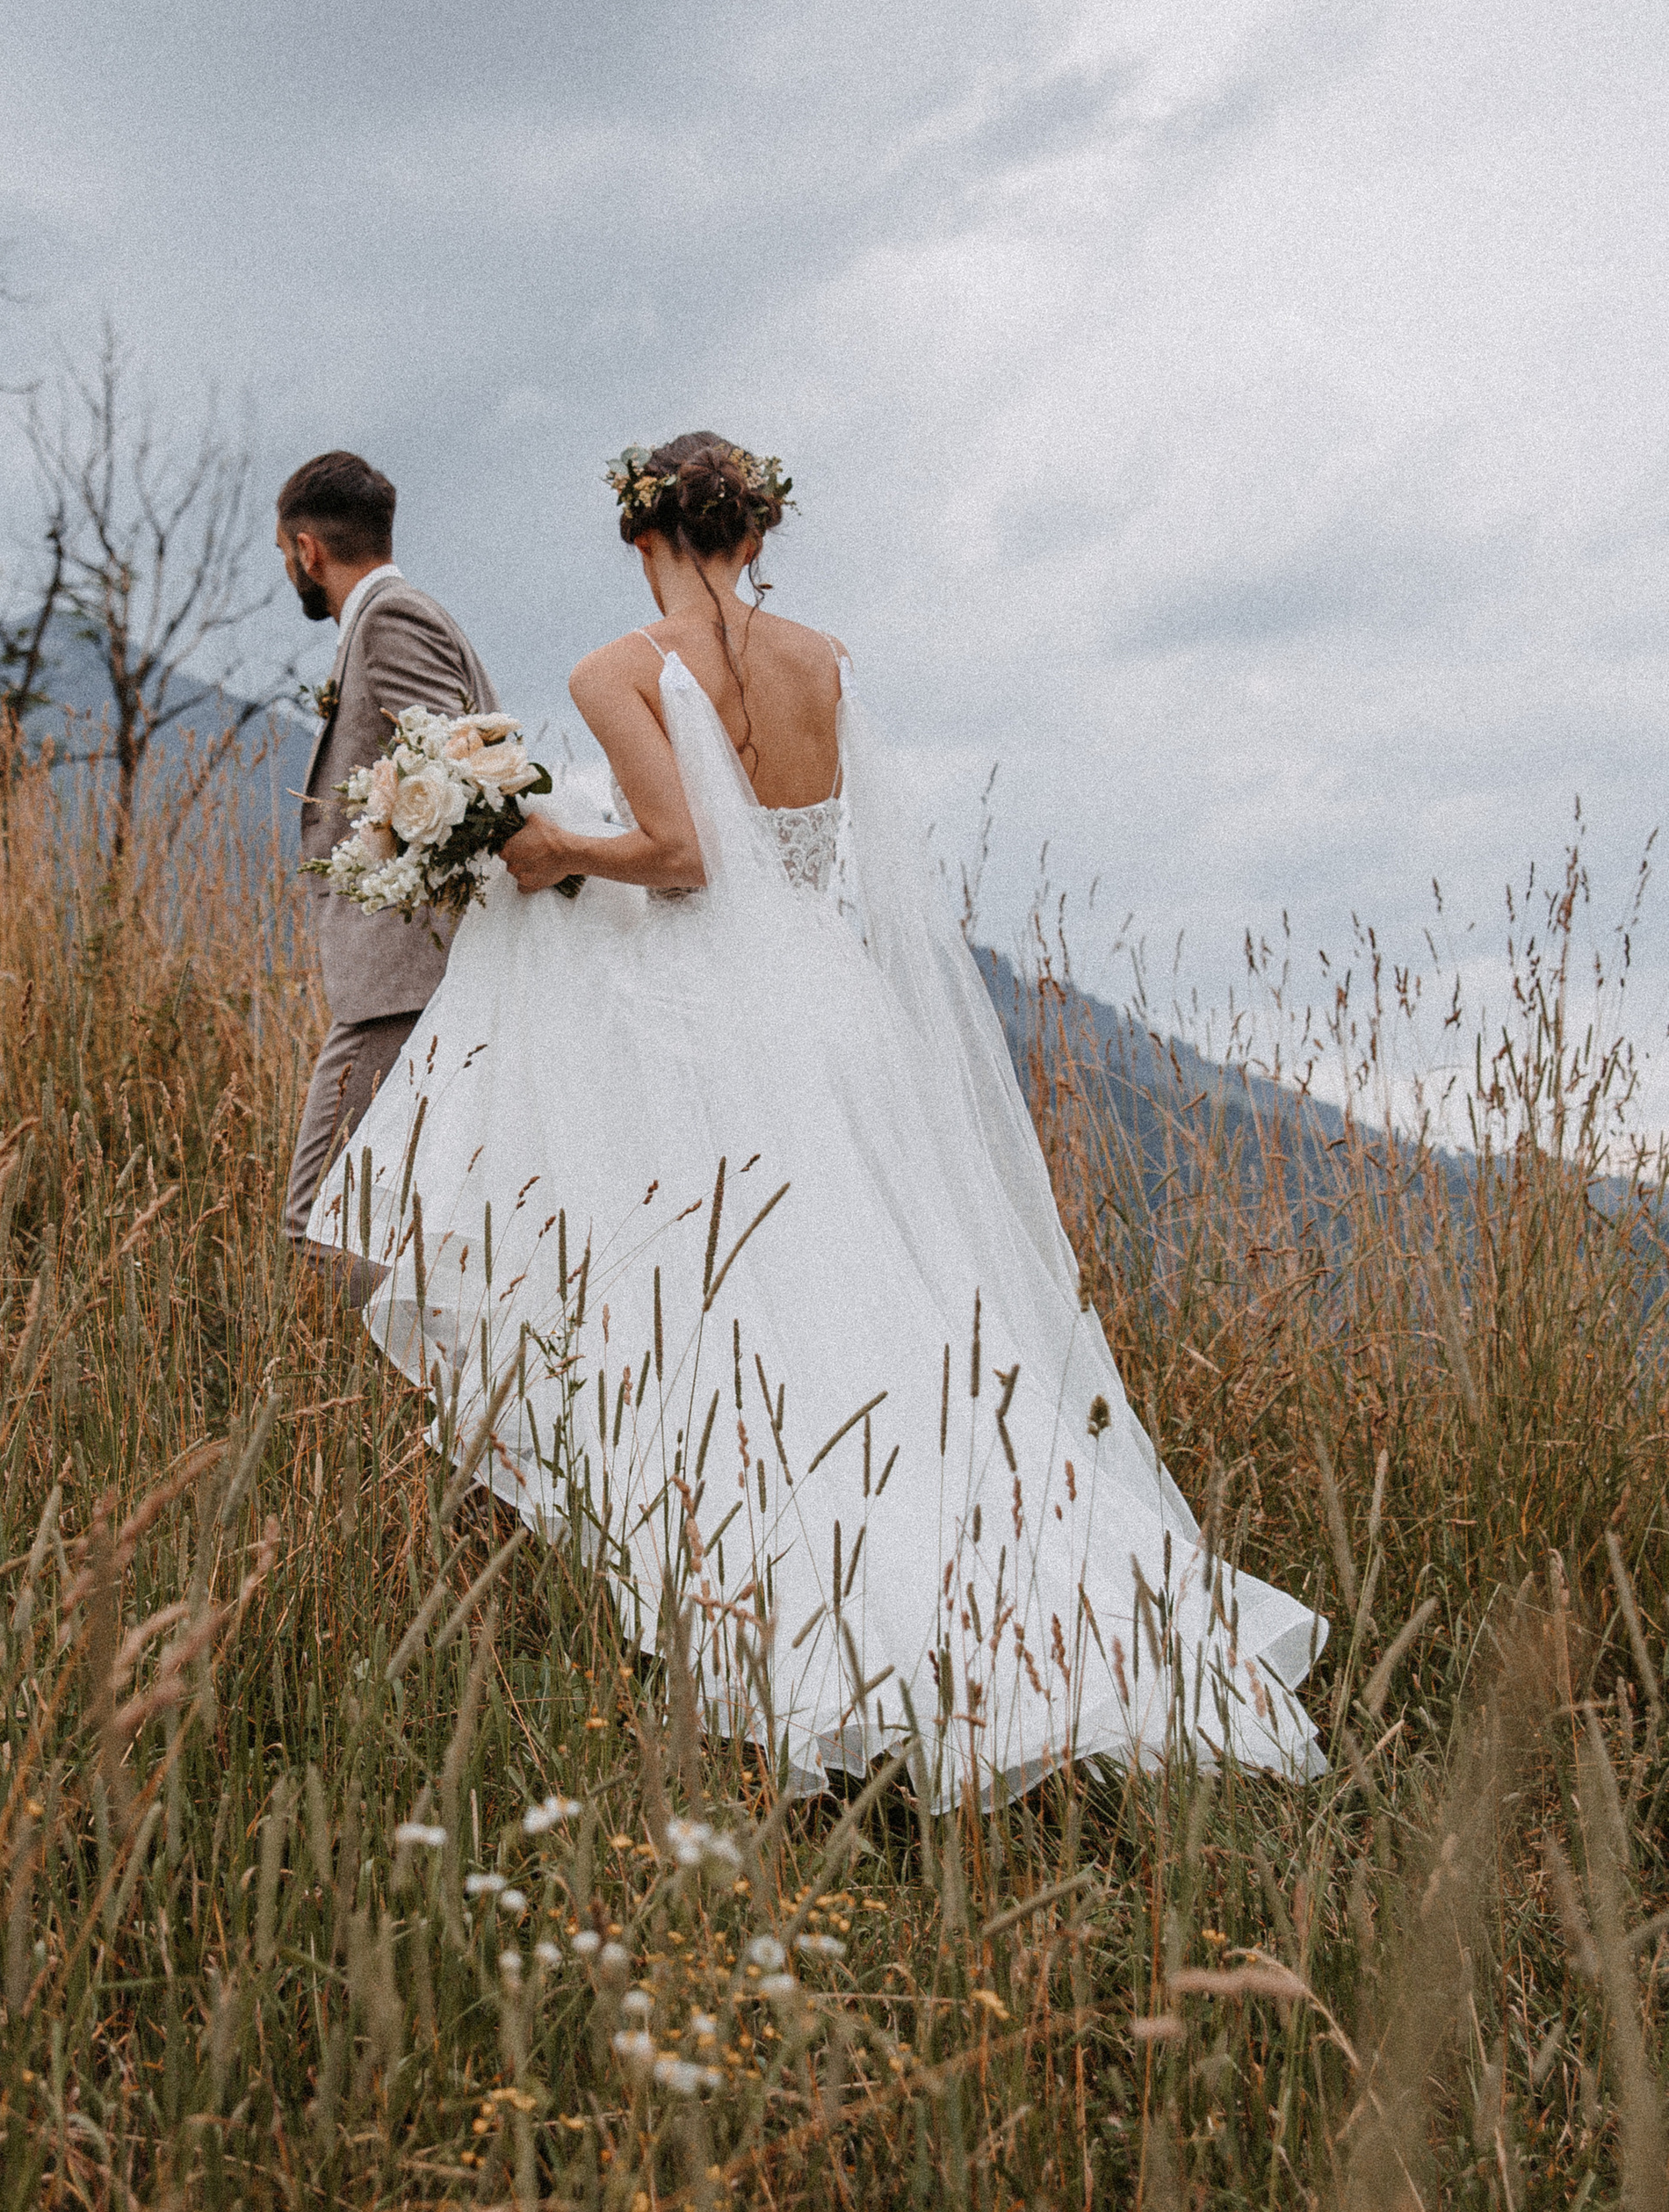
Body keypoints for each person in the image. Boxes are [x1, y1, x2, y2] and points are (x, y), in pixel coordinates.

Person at [308, 430, 1326, 1798]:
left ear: (639, 534)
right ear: (755, 533)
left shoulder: (616, 671)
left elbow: (678, 859)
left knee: (745, 1325)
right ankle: (1027, 1607)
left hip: (717, 1029)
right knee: (885, 1315)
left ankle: (827, 1630)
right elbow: (790, 858)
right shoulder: (825, 664)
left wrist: (550, 849)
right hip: (839, 1014)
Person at [278, 450, 496, 1247]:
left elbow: (467, 782)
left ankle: (449, 1364)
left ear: (308, 550)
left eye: (285, 554)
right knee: (420, 1221)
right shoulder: (386, 621)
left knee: (318, 1225)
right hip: (410, 978)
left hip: (407, 980)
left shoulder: (390, 620)